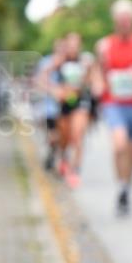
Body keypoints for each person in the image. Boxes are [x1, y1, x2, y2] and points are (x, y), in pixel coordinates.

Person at [94, 0, 132, 216]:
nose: (125, 23)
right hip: (114, 102)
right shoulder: (104, 45)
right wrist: (98, 85)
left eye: (128, 19)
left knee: (131, 149)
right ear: (115, 21)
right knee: (119, 145)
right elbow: (98, 72)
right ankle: (120, 185)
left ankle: (127, 188)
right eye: (121, 19)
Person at [52, 32, 94, 188]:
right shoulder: (59, 61)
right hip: (64, 102)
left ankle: (75, 170)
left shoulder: (85, 61)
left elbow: (92, 81)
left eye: (76, 45)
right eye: (70, 45)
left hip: (80, 101)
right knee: (64, 137)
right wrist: (55, 90)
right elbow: (43, 78)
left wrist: (87, 76)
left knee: (77, 135)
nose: (73, 48)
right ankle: (63, 158)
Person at [36, 39, 65, 172]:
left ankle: (60, 160)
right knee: (53, 136)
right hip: (50, 107)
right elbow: (39, 82)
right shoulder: (46, 62)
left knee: (64, 136)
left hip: (65, 106)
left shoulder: (69, 63)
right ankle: (52, 154)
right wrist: (53, 90)